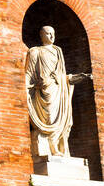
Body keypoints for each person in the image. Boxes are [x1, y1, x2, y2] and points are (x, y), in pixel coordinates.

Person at [25, 25, 91, 157]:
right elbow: (29, 73)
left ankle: (56, 147)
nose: (51, 36)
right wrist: (26, 90)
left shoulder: (57, 51)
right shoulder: (35, 52)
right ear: (41, 35)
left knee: (63, 120)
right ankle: (52, 147)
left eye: (53, 33)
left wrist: (78, 77)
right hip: (45, 90)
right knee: (50, 117)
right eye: (48, 34)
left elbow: (62, 74)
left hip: (59, 89)